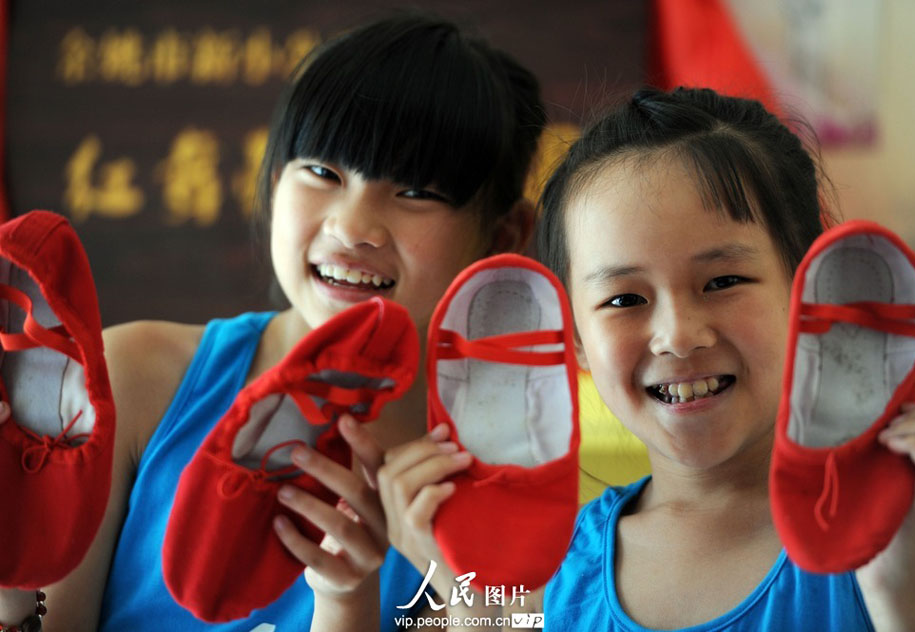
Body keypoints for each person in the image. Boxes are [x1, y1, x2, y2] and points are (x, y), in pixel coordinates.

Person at [0, 12, 545, 632]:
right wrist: (12, 581)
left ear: (503, 236)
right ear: (275, 179)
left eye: (415, 191)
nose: (353, 228)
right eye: (323, 172)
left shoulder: (503, 488)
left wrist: (348, 598)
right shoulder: (134, 381)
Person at [379, 86, 915, 631]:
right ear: (570, 336)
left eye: (724, 280)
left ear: (808, 293)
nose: (678, 336)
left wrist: (899, 600)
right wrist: (470, 607)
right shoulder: (537, 580)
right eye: (624, 299)